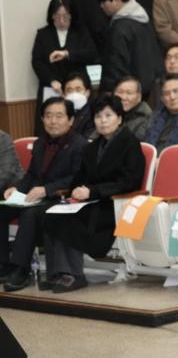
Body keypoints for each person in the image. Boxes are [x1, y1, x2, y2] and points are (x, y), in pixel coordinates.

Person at [39, 96, 144, 292]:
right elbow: (80, 177)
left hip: (112, 205)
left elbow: (129, 182)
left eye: (108, 115)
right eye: (98, 116)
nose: (102, 121)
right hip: (91, 202)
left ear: (119, 118)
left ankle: (73, 275)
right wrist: (76, 189)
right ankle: (56, 273)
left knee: (69, 221)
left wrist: (93, 191)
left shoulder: (131, 144)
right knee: (52, 214)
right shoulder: (93, 146)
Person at [1, 98, 86, 291]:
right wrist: (16, 188)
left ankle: (21, 269)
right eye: (48, 116)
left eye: (59, 116)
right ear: (42, 119)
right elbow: (31, 175)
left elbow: (76, 178)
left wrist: (47, 190)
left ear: (71, 120)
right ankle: (3, 265)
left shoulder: (79, 145)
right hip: (35, 197)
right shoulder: (40, 143)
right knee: (2, 210)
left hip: (60, 198)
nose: (53, 121)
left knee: (30, 214)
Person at [31, 0, 98, 117]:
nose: (62, 21)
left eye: (65, 16)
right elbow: (37, 62)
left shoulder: (81, 32)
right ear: (52, 16)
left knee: (81, 120)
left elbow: (91, 53)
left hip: (78, 87)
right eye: (57, 16)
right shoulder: (43, 34)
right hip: (52, 89)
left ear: (71, 15)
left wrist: (67, 53)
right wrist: (51, 80)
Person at [96, 0, 163, 96]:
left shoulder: (119, 28)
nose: (101, 6)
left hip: (129, 92)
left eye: (103, 1)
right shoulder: (144, 19)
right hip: (152, 87)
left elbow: (116, 65)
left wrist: (109, 90)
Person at [63, 71, 95, 140]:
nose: (74, 94)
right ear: (64, 95)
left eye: (78, 90)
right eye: (69, 90)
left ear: (87, 93)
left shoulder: (93, 114)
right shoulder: (62, 114)